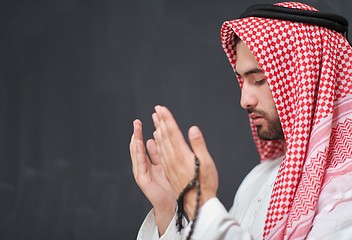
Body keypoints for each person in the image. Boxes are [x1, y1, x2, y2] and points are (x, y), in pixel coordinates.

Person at [130, 2, 352, 239]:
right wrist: (168, 210)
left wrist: (202, 203)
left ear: (306, 82)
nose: (244, 100)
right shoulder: (259, 178)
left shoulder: (343, 195)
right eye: (242, 80)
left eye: (258, 80)